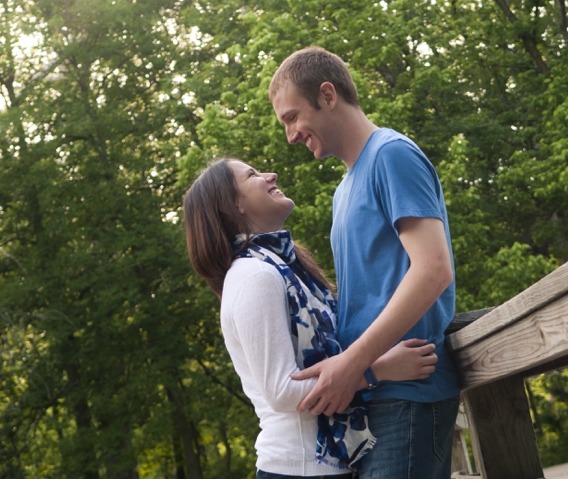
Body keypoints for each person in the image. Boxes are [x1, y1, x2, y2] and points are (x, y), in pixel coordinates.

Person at [269, 47, 461, 479]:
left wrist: (354, 363)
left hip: (411, 395)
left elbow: (433, 269)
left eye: (292, 117)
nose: (291, 135)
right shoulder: (343, 191)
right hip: (372, 394)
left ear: (327, 94)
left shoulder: (391, 154)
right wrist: (362, 373)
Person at [183, 158, 439, 478]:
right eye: (252, 175)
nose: (270, 174)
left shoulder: (283, 268)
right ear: (230, 206)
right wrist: (379, 369)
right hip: (300, 467)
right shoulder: (254, 275)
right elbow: (282, 391)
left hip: (322, 464)